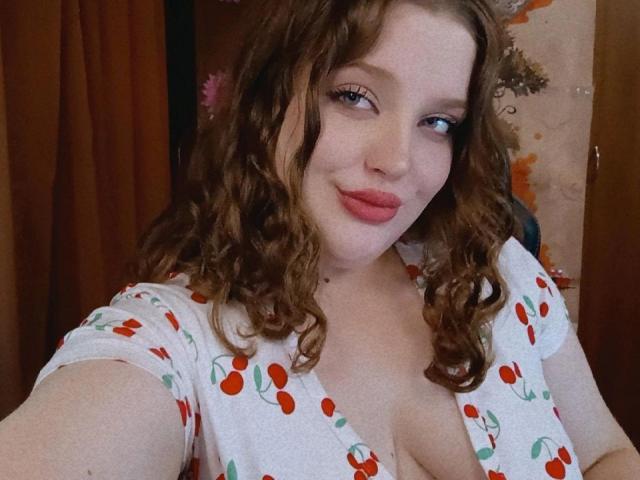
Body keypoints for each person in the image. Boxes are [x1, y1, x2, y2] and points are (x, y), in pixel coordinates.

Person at [1, 0, 639, 478]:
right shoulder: (173, 342)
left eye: (438, 122)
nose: (398, 161)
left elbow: (606, 454)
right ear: (268, 97)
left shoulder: (495, 275)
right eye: (354, 97)